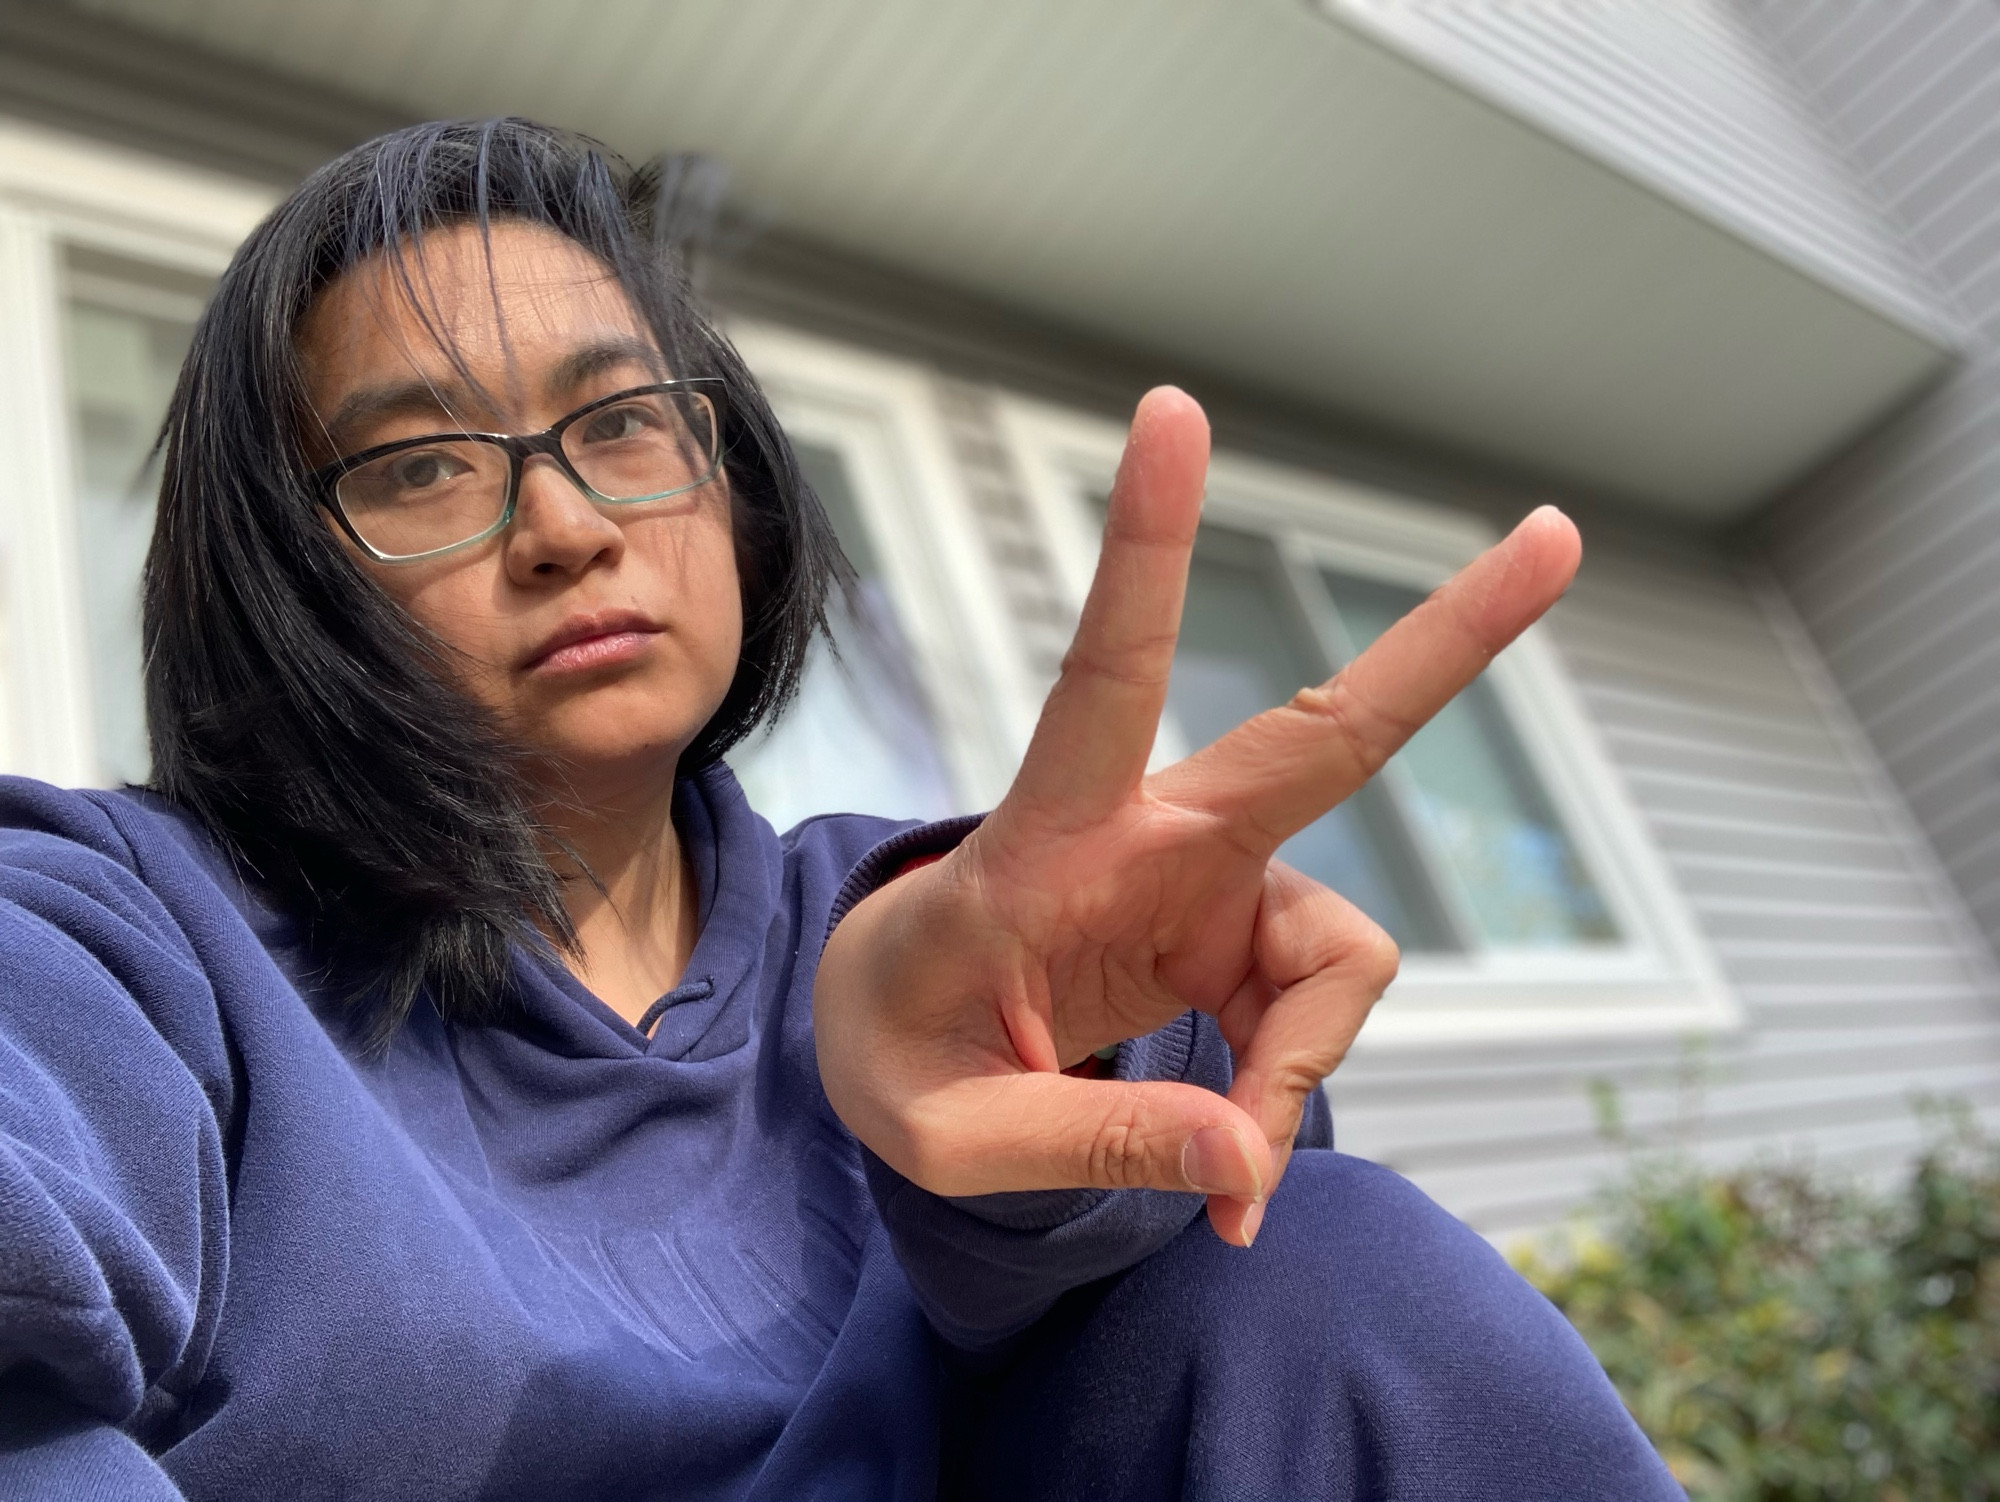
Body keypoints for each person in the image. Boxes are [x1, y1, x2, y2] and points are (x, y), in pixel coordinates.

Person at [0, 118, 1682, 1501]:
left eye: (621, 422)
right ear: (286, 579)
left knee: (1324, 1256)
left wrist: (1035, 1083)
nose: (568, 524)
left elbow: (1229, 1295)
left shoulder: (895, 927)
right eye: (422, 463)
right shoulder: (142, 932)